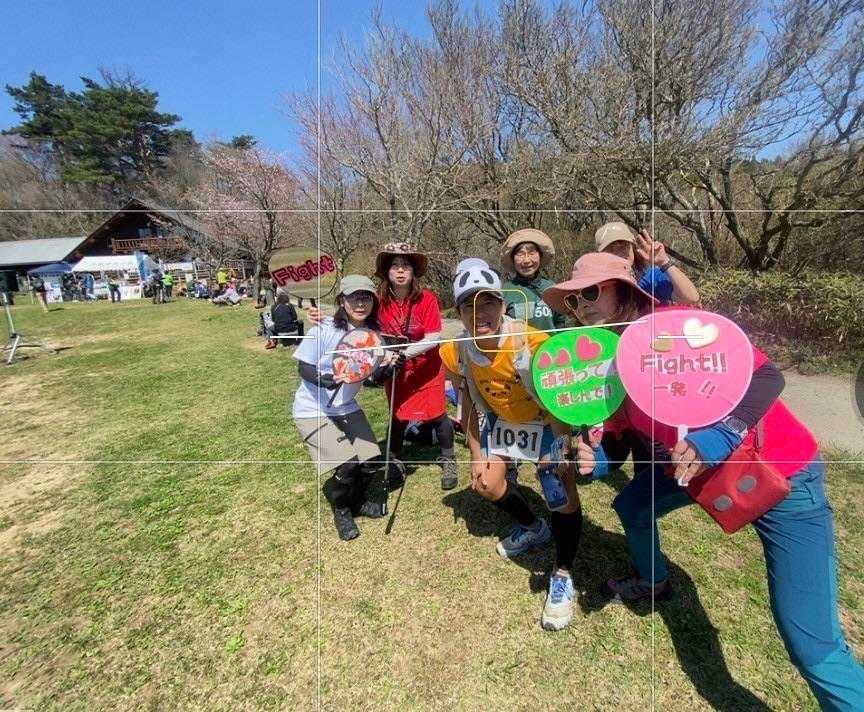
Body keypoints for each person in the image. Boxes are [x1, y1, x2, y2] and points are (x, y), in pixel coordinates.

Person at [543, 252, 864, 709]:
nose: (582, 306)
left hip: (781, 475)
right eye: (573, 301)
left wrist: (719, 435)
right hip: (692, 472)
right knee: (633, 506)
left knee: (812, 646)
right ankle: (655, 582)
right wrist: (595, 463)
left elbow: (766, 377)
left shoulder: (674, 325)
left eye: (590, 292)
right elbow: (615, 441)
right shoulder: (609, 364)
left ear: (624, 291)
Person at [440, 259, 583, 631]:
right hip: (502, 424)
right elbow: (466, 405)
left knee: (560, 492)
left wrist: (560, 449)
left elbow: (558, 400)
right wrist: (476, 454)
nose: (480, 312)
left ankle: (563, 573)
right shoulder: (454, 350)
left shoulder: (535, 343)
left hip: (545, 421)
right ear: (457, 312)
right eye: (469, 304)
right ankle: (534, 527)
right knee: (485, 483)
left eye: (488, 301)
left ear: (503, 305)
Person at [292, 275, 395, 541]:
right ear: (342, 301)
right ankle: (341, 510)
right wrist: (322, 379)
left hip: (346, 406)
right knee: (348, 464)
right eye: (354, 297)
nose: (360, 303)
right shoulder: (323, 328)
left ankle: (356, 500)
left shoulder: (375, 337)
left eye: (366, 297)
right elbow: (304, 366)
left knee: (371, 460)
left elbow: (372, 378)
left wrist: (389, 369)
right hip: (312, 409)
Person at [594, 221, 699, 306]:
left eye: (624, 246)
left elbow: (691, 299)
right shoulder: (595, 288)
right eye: (611, 249)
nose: (619, 253)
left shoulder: (651, 278)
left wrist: (664, 262)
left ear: (633, 248)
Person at [500, 228, 565, 333]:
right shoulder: (505, 292)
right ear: (513, 259)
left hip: (551, 343)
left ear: (540, 256)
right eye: (520, 254)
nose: (526, 260)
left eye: (531, 253)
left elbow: (560, 322)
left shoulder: (552, 287)